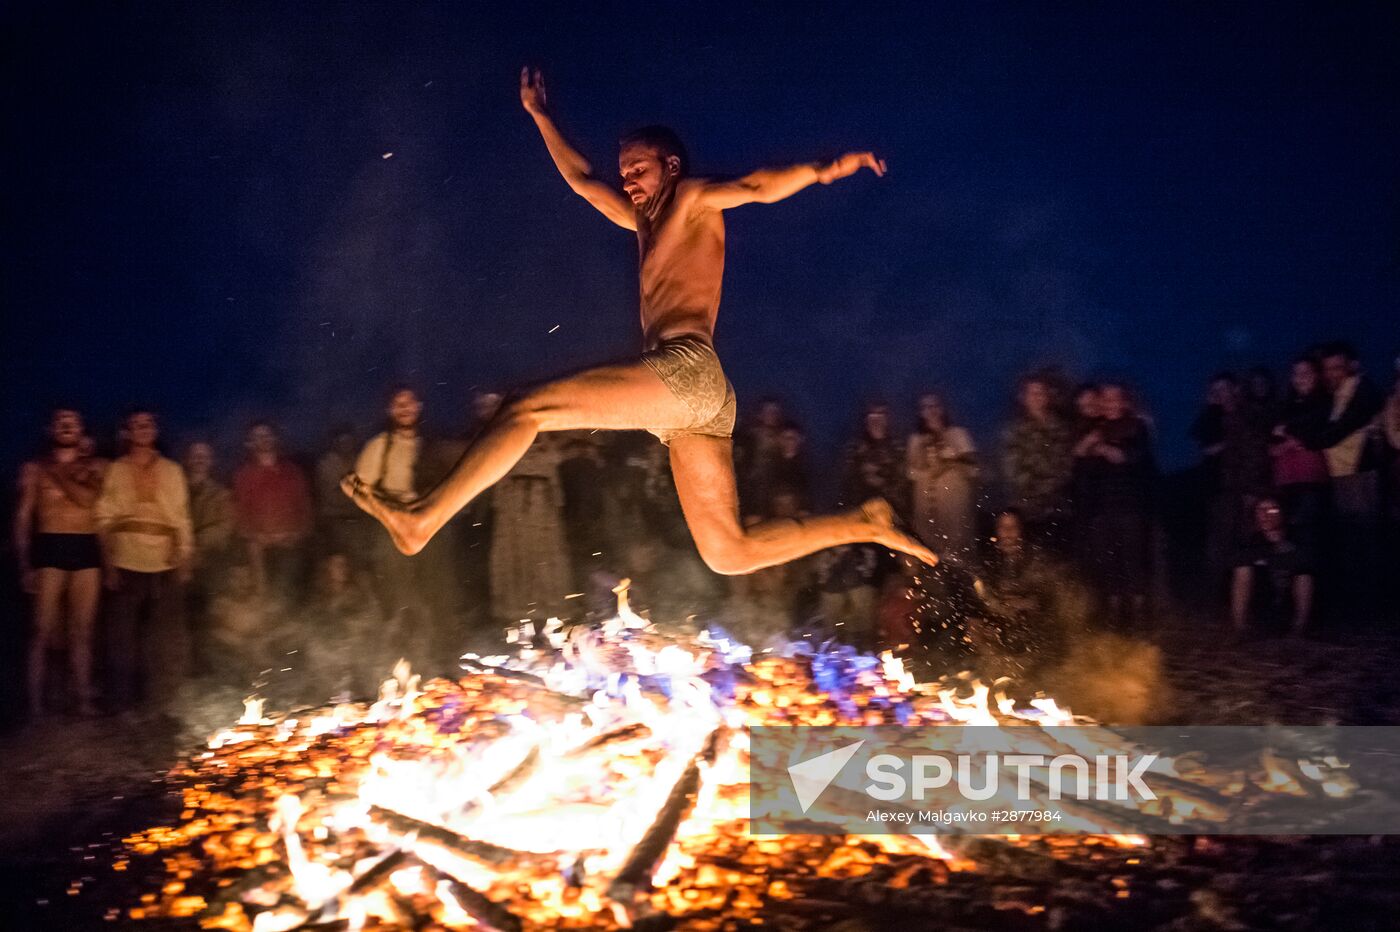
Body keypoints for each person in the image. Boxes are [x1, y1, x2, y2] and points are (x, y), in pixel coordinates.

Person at [343, 68, 936, 579]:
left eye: (639, 169)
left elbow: (758, 186)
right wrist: (540, 114)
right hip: (699, 402)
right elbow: (581, 180)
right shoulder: (644, 222)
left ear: (670, 165)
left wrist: (832, 168)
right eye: (625, 171)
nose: (628, 179)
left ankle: (422, 520)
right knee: (729, 553)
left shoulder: (692, 200)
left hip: (687, 371)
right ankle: (864, 522)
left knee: (527, 409)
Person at [95, 409, 193, 717]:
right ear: (128, 432)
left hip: (164, 560)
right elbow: (104, 519)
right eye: (136, 425)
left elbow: (181, 518)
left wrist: (185, 556)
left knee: (163, 635)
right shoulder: (117, 469)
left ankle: (162, 701)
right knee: (122, 636)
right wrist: (108, 564)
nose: (143, 429)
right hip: (126, 558)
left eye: (148, 423)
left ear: (155, 430)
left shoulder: (172, 470)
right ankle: (123, 702)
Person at [14, 408, 107, 715]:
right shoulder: (34, 470)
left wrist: (58, 473)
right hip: (49, 547)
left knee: (83, 631)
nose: (67, 425)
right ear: (51, 429)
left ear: (81, 430)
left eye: (73, 421)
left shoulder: (95, 467)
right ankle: (36, 706)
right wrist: (25, 564)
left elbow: (90, 502)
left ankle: (82, 700)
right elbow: (24, 518)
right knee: (42, 631)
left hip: (85, 548)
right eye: (60, 421)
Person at [1073, 383, 1156, 628]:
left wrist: (1098, 447)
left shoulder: (1136, 426)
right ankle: (1115, 615)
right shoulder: (1094, 428)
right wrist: (1090, 444)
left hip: (1130, 505)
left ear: (1124, 401)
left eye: (1114, 398)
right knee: (1109, 562)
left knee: (1133, 561)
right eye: (1105, 399)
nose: (1109, 403)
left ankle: (1139, 616)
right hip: (1101, 507)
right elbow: (1080, 461)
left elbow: (1126, 458)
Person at [233, 422, 314, 600]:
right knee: (253, 554)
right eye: (258, 437)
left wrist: (296, 533)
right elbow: (240, 513)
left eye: (267, 435)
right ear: (250, 443)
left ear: (275, 439)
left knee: (289, 574)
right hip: (260, 542)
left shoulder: (292, 471)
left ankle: (283, 604)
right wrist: (256, 535)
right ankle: (263, 600)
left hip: (291, 538)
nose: (263, 440)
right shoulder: (244, 475)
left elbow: (305, 508)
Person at [1001, 376, 1074, 545]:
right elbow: (1013, 470)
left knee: (1058, 557)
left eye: (1040, 392)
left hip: (1058, 508)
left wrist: (1049, 486)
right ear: (1024, 398)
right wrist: (1037, 488)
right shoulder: (1014, 430)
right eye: (1032, 393)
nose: (1036, 397)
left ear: (1048, 396)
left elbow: (1066, 466)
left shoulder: (1061, 428)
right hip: (1027, 509)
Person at [906, 393, 979, 559]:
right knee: (930, 560)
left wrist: (949, 462)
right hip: (927, 515)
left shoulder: (959, 434)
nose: (931, 411)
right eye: (925, 407)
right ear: (920, 412)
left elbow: (973, 468)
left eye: (935, 406)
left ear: (943, 408)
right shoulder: (915, 440)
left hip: (956, 514)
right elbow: (912, 472)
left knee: (959, 560)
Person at [184, 441, 235, 671]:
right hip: (177, 563)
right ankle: (185, 664)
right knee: (182, 618)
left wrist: (197, 544)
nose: (200, 460)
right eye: (195, 455)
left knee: (208, 616)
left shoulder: (221, 494)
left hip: (209, 563)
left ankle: (209, 665)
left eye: (204, 455)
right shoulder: (177, 489)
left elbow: (224, 527)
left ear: (211, 460)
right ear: (187, 459)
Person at [1230, 497, 1315, 636]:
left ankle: (1299, 628)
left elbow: (1304, 564)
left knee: (1304, 574)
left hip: (1287, 604)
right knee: (1242, 569)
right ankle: (1241, 628)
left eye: (1273, 509)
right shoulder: (1250, 543)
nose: (1267, 515)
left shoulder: (1295, 539)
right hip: (1261, 604)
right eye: (1261, 510)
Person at [1269, 357, 1331, 546]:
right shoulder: (1287, 405)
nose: (1300, 378)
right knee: (1290, 534)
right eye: (1296, 373)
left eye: (1306, 373)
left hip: (1310, 478)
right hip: (1285, 480)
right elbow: (1271, 443)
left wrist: (1287, 434)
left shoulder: (1324, 401)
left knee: (1309, 533)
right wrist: (1288, 440)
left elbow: (1312, 432)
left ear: (1316, 376)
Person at [841, 402, 908, 516]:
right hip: (861, 513)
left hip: (893, 513)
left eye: (881, 414)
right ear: (866, 419)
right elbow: (848, 482)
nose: (876, 419)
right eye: (872, 415)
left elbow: (903, 482)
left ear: (887, 419)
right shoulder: (855, 448)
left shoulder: (898, 447)